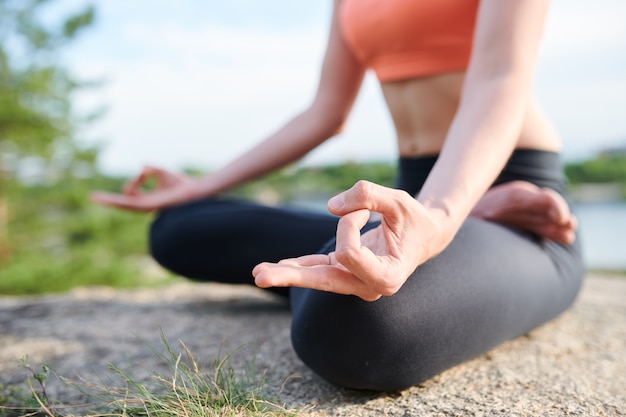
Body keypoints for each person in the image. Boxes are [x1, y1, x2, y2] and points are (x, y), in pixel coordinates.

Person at [92, 0, 584, 391]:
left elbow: (500, 79)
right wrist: (201, 185)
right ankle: (323, 273)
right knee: (181, 227)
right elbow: (325, 111)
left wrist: (440, 213)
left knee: (357, 329)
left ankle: (325, 283)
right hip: (422, 196)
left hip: (512, 208)